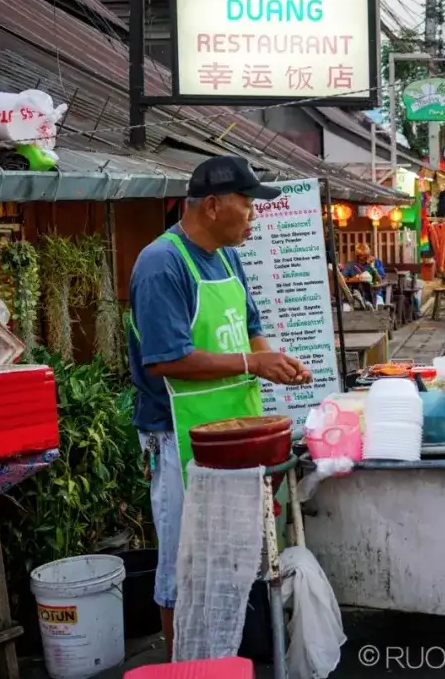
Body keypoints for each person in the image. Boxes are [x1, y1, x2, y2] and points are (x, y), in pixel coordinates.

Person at [127, 155, 313, 658]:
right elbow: (166, 361)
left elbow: (250, 327)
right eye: (247, 204)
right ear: (212, 205)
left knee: (234, 556)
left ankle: (228, 657)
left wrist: (271, 358)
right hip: (178, 439)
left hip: (235, 434)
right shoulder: (162, 264)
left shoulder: (228, 257)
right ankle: (183, 664)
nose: (253, 216)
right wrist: (253, 363)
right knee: (182, 564)